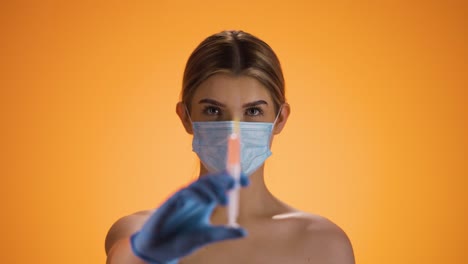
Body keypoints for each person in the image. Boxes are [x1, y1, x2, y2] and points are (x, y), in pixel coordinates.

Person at [105, 30, 355, 264]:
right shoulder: (139, 234)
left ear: (280, 119)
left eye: (253, 111)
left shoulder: (324, 245)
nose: (233, 131)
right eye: (213, 110)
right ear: (185, 117)